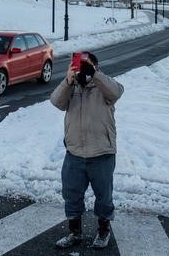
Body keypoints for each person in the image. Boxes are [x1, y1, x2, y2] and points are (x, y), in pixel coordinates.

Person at [49, 52, 124, 249]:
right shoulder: (71, 87)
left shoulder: (103, 86)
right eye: (79, 64)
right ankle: (75, 233)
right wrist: (68, 80)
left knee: (103, 197)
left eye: (86, 65)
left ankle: (103, 231)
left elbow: (116, 92)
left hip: (102, 153)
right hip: (74, 154)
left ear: (96, 67)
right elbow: (56, 101)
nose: (82, 68)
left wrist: (95, 75)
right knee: (71, 195)